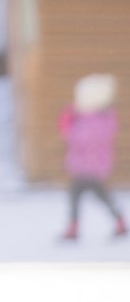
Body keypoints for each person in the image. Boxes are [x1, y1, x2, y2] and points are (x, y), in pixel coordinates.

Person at [59, 72, 122, 241]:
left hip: (90, 167)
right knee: (93, 196)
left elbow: (78, 137)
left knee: (91, 196)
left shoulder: (97, 120)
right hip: (84, 166)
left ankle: (75, 227)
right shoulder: (98, 118)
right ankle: (118, 221)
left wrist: (69, 122)